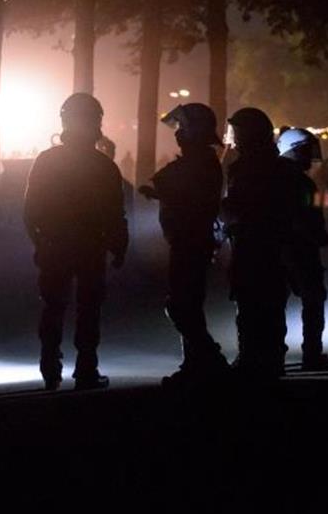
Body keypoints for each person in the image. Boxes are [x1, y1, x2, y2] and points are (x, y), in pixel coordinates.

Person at [23, 93, 128, 391]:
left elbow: (30, 209)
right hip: (91, 248)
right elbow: (115, 212)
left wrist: (40, 242)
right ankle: (86, 368)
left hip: (55, 246)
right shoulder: (104, 167)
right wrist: (119, 245)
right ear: (96, 122)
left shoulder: (47, 160)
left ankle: (50, 365)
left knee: (53, 305)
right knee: (89, 307)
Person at [140, 103, 229, 386]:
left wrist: (158, 192)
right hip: (188, 241)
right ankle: (194, 365)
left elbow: (179, 190)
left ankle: (209, 358)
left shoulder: (199, 163)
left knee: (181, 306)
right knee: (188, 304)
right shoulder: (201, 161)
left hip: (191, 242)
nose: (177, 134)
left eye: (182, 128)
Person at [221, 107, 298, 381]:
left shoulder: (243, 169)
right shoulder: (282, 168)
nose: (235, 138)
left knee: (252, 304)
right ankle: (269, 358)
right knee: (268, 305)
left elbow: (242, 206)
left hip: (255, 244)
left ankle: (254, 357)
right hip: (266, 245)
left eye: (239, 132)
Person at [278, 128, 328, 370]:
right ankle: (312, 354)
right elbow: (306, 216)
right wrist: (319, 236)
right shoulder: (301, 182)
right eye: (305, 150)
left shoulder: (272, 176)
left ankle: (273, 355)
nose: (309, 156)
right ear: (293, 150)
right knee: (313, 300)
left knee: (275, 304)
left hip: (275, 248)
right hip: (301, 248)